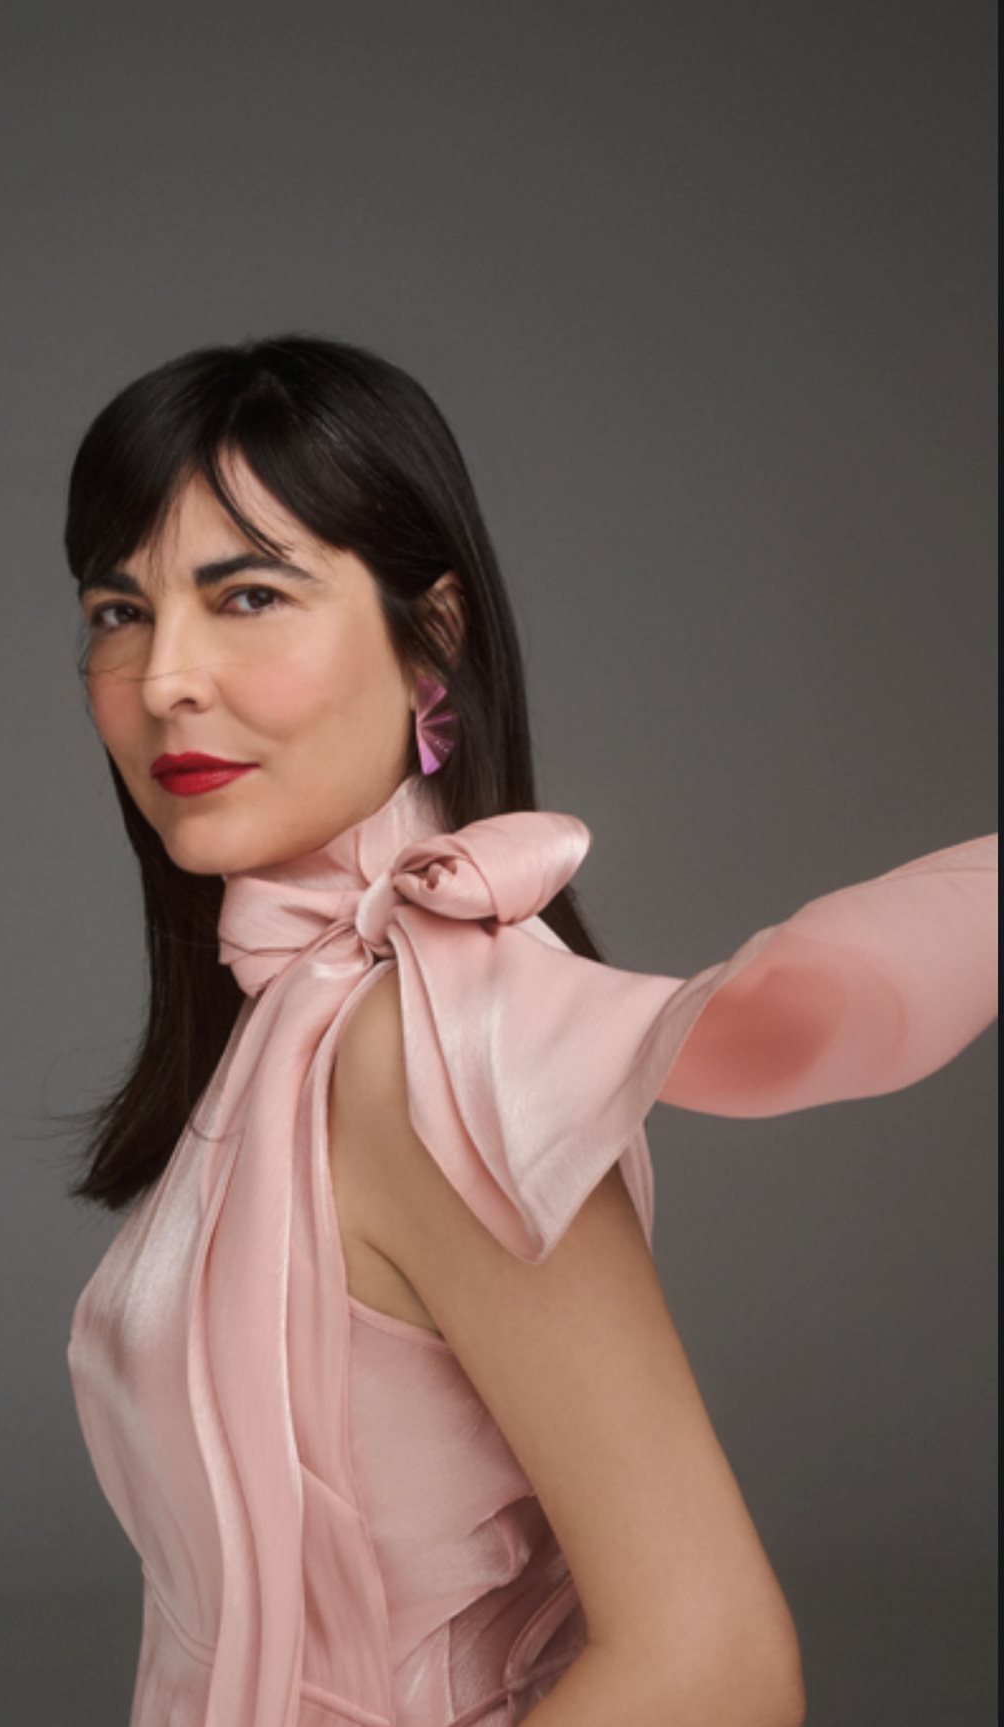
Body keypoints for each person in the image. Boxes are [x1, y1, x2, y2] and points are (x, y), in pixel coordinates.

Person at [62, 335, 997, 1727]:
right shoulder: (305, 1026)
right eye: (118, 611)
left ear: (432, 637)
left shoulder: (421, 1050)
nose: (164, 680)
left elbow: (716, 1665)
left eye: (248, 594)